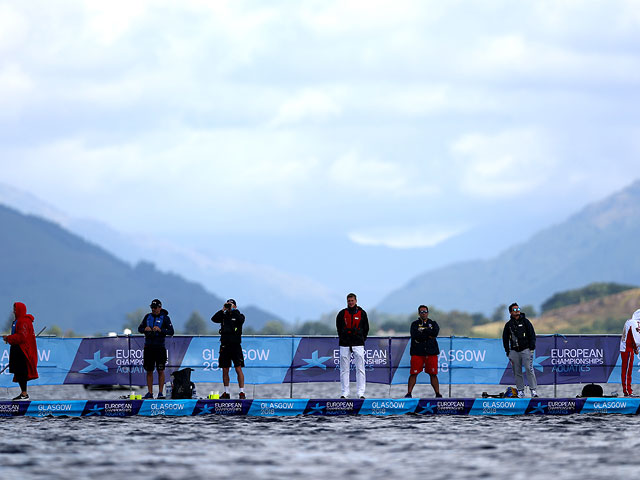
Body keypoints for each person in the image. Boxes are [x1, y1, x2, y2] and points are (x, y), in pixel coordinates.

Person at [138, 298, 174, 399]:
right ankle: (150, 393)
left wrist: (160, 330)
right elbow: (139, 328)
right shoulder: (147, 317)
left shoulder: (165, 318)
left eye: (155, 308)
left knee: (160, 370)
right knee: (149, 370)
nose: (153, 309)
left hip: (160, 348)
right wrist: (145, 329)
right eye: (152, 308)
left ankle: (160, 393)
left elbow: (171, 331)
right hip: (148, 347)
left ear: (160, 307)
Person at [2, 302, 39, 400]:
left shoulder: (24, 321)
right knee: (18, 372)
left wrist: (8, 338)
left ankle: (24, 394)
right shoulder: (17, 321)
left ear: (20, 310)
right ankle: (23, 393)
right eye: (13, 308)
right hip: (17, 349)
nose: (13, 311)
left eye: (15, 309)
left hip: (23, 350)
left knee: (22, 372)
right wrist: (10, 339)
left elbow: (22, 337)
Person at [211, 299, 246, 399]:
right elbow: (213, 319)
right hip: (224, 346)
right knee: (225, 369)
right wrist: (223, 309)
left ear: (235, 306)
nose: (229, 307)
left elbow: (240, 320)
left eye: (231, 305)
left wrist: (234, 310)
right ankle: (226, 392)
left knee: (238, 368)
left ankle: (242, 392)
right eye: (228, 304)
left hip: (235, 346)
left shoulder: (239, 315)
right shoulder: (223, 316)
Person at [336, 293, 369, 399]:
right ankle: (345, 393)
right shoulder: (341, 314)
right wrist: (343, 337)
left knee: (360, 368)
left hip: (358, 343)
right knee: (344, 369)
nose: (350, 302)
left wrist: (361, 338)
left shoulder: (362, 313)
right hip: (344, 344)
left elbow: (366, 328)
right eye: (349, 301)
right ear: (347, 301)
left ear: (356, 301)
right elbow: (339, 328)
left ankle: (360, 393)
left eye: (352, 300)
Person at [502, 302, 538, 398]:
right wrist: (508, 351)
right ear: (510, 312)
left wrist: (531, 348)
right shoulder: (508, 325)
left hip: (526, 350)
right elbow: (505, 338)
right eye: (514, 310)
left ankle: (533, 391)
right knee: (517, 371)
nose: (517, 311)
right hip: (514, 351)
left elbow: (532, 335)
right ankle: (521, 391)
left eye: (518, 309)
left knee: (528, 369)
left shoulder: (526, 322)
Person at [405, 305, 441, 398]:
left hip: (431, 352)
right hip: (417, 352)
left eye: (425, 311)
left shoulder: (433, 323)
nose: (423, 313)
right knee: (413, 373)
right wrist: (428, 334)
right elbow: (415, 336)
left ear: (428, 313)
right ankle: (409, 393)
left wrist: (424, 333)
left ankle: (438, 394)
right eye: (421, 312)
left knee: (433, 374)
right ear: (419, 313)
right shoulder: (414, 324)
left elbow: (435, 333)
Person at [619, 309, 640, 396]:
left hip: (626, 348)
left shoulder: (630, 321)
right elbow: (636, 340)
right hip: (628, 349)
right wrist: (636, 349)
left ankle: (627, 390)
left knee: (627, 371)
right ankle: (627, 391)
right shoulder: (634, 323)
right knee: (627, 371)